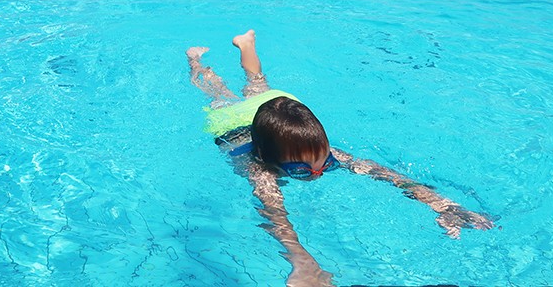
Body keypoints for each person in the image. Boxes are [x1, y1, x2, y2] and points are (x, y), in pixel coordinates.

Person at [186, 31, 493, 283]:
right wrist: (302, 260)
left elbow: (383, 173)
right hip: (234, 122)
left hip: (274, 109)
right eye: (303, 172)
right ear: (271, 161)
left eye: (325, 164)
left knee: (257, 86)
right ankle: (197, 61)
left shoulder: (317, 152)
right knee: (217, 91)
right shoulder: (261, 171)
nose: (318, 171)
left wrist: (443, 204)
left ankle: (246, 44)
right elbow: (275, 215)